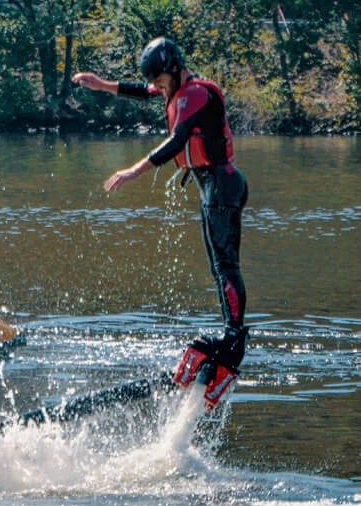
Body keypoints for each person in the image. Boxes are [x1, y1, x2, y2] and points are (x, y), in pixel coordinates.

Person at [73, 37, 249, 370]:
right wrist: (101, 85)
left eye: (158, 79)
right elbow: (142, 91)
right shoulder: (177, 90)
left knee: (226, 266)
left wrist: (133, 171)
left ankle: (234, 339)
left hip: (222, 185)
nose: (155, 86)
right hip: (212, 186)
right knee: (219, 267)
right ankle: (231, 336)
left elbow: (178, 141)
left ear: (172, 68)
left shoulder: (196, 93)